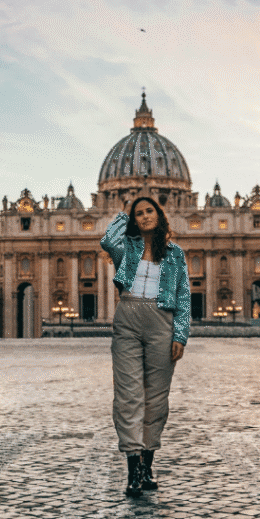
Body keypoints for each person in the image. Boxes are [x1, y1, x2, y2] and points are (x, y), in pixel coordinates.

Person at [100, 194, 190, 498]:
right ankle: (133, 470)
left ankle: (148, 463)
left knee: (156, 399)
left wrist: (180, 334)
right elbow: (106, 239)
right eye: (139, 213)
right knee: (127, 396)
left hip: (161, 320)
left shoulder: (175, 254)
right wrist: (124, 214)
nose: (145, 216)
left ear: (159, 214)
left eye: (150, 211)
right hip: (128, 316)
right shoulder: (126, 248)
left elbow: (184, 297)